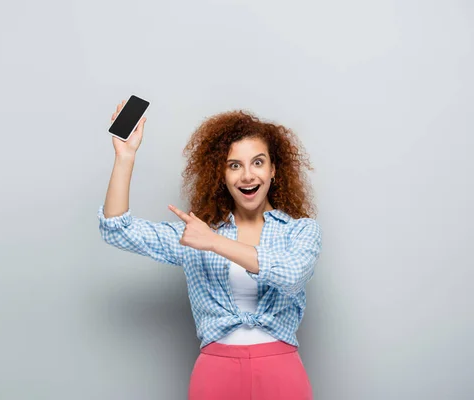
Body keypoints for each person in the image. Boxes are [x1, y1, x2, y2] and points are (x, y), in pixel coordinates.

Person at [98, 99, 322, 400]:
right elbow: (117, 230)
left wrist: (213, 242)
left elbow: (292, 274)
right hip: (216, 372)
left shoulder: (300, 230)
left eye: (258, 162)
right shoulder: (197, 235)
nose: (247, 176)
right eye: (234, 165)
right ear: (222, 175)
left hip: (281, 370)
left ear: (273, 170)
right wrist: (125, 157)